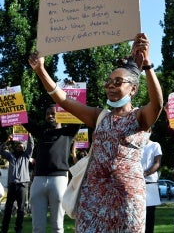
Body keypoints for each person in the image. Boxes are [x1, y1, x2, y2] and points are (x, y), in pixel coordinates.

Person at [28, 32, 163, 232]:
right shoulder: (100, 116)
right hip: (93, 198)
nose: (110, 86)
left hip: (127, 199)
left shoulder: (139, 117)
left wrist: (148, 65)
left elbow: (158, 104)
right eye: (108, 82)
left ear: (133, 89)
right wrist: (40, 71)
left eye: (118, 82)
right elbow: (63, 100)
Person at [23, 104, 80, 233]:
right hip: (38, 180)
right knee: (37, 228)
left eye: (53, 113)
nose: (50, 115)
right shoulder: (41, 132)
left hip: (59, 180)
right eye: (47, 113)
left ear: (60, 114)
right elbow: (24, 119)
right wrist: (11, 95)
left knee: (58, 226)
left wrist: (73, 92)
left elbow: (77, 113)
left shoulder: (68, 132)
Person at [0, 134, 34, 233]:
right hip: (12, 185)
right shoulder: (10, 155)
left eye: (22, 144)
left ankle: (18, 229)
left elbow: (31, 145)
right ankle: (4, 229)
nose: (20, 146)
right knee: (8, 209)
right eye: (18, 144)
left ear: (24, 146)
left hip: (23, 186)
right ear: (16, 145)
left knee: (21, 209)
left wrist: (29, 135)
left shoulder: (26, 155)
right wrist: (7, 140)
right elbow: (1, 150)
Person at [141, 133, 162, 233]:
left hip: (150, 182)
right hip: (136, 182)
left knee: (150, 213)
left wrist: (146, 173)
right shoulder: (134, 145)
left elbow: (157, 163)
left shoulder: (155, 145)